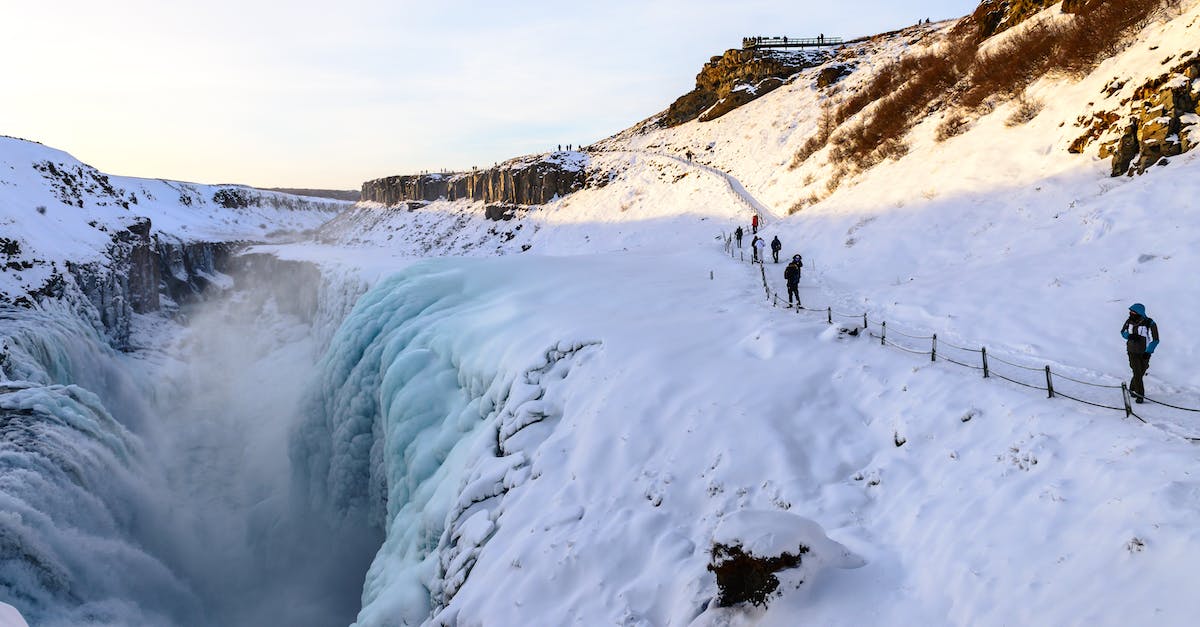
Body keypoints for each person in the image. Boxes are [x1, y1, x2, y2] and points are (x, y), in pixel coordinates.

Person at [1121, 303, 1159, 403]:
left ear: (1139, 312)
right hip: (1132, 351)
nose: (1131, 313)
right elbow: (1122, 332)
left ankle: (1132, 389)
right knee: (1137, 372)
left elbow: (1155, 339)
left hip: (1144, 352)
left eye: (1133, 312)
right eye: (1130, 311)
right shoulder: (1129, 321)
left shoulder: (1149, 323)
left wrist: (1148, 351)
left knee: (1141, 372)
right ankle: (1140, 395)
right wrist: (1129, 336)